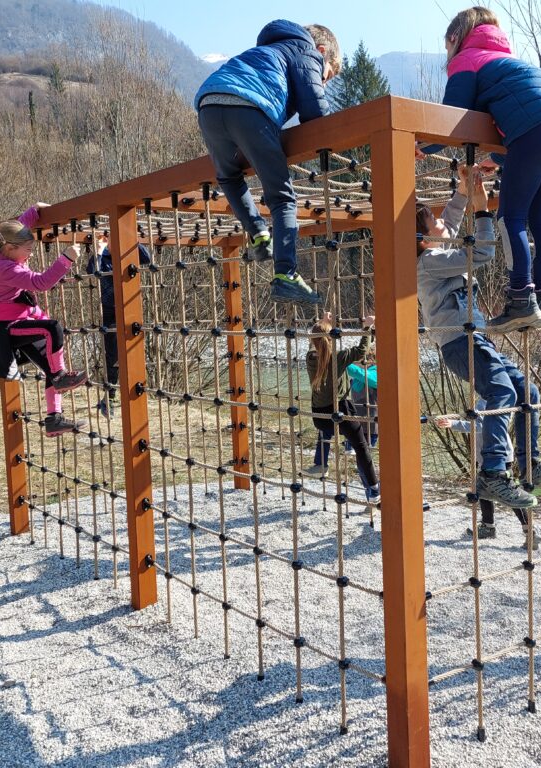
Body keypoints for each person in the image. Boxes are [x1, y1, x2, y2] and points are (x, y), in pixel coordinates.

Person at [416, 167, 541, 510]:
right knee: (501, 392)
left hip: (475, 340)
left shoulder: (435, 251)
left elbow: (450, 222)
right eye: (433, 222)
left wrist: (464, 190)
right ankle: (493, 473)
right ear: (424, 239)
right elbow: (483, 254)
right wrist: (483, 210)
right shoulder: (430, 261)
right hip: (459, 343)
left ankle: (530, 466)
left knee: (527, 392)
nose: (442, 222)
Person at [429, 6, 541, 332]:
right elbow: (515, 117)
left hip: (537, 128)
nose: (447, 55)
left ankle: (520, 299)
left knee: (510, 217)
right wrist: (497, 159)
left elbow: (450, 117)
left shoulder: (467, 59)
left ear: (455, 37)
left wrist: (422, 145)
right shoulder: (505, 60)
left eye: (446, 47)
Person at [195, 21, 341, 306]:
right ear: (322, 51)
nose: (324, 82)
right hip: (250, 107)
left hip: (208, 106)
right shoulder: (306, 51)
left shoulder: (268, 52)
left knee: (228, 176)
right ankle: (286, 274)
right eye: (328, 76)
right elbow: (315, 110)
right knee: (282, 198)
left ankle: (259, 233)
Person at [0, 205, 87, 438]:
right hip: (8, 326)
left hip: (19, 318)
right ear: (11, 249)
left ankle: (54, 419)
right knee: (52, 328)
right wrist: (66, 259)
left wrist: (34, 211)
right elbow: (41, 283)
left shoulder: (0, 243)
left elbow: (20, 227)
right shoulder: (4, 268)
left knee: (51, 365)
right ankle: (60, 377)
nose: (31, 254)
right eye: (28, 250)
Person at [434, 402, 541, 549]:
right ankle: (488, 526)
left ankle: (530, 531)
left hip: (497, 456)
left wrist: (453, 423)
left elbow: (483, 426)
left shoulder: (489, 399)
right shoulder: (492, 397)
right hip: (491, 455)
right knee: (484, 488)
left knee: (510, 493)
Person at [304, 312, 381, 505]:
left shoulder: (310, 357)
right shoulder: (338, 357)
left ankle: (322, 463)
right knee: (362, 447)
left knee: (331, 433)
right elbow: (361, 351)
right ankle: (373, 489)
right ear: (331, 339)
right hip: (340, 412)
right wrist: (367, 327)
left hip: (319, 416)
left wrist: (324, 324)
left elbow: (317, 342)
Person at [85, 237, 151, 418]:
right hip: (110, 311)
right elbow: (92, 271)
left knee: (134, 352)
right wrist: (99, 250)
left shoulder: (129, 254)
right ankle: (110, 395)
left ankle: (133, 394)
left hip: (131, 309)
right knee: (113, 354)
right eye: (112, 236)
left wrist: (132, 238)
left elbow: (147, 259)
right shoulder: (104, 257)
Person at [346, 354, 378, 450]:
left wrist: (342, 363)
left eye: (356, 360)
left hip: (370, 425)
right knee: (359, 455)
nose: (355, 363)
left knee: (365, 455)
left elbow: (361, 374)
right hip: (356, 423)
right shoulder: (356, 379)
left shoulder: (376, 373)